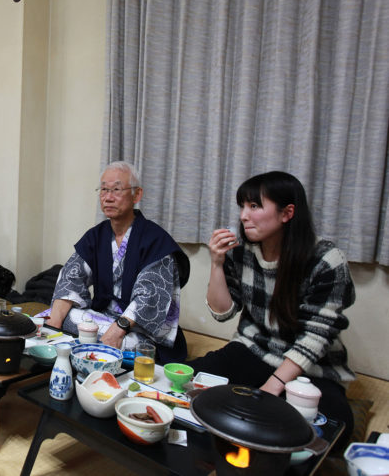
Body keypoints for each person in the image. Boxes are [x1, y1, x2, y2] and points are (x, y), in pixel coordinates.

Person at [187, 171, 355, 449]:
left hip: (310, 368)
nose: (243, 216)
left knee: (335, 429)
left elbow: (315, 339)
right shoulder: (241, 253)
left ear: (287, 213)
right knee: (185, 383)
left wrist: (271, 388)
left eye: (254, 206)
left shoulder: (326, 260)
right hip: (252, 350)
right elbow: (222, 312)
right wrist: (217, 262)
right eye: (242, 206)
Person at [46, 161, 190, 364]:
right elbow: (71, 278)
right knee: (54, 314)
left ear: (136, 195)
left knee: (119, 340)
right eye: (104, 189)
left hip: (138, 330)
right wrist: (52, 330)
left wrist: (117, 330)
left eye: (116, 189)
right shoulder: (97, 236)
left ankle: (95, 344)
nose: (108, 197)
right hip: (103, 319)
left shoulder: (156, 241)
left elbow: (149, 297)